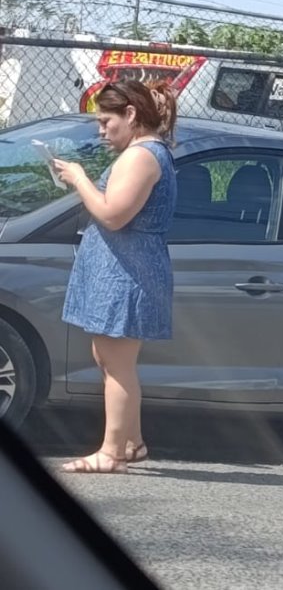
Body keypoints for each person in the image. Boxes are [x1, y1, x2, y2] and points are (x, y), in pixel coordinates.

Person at [53, 80, 178, 474]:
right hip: (121, 268)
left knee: (118, 364)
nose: (102, 131)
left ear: (131, 114)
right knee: (107, 357)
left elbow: (112, 214)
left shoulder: (142, 157)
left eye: (107, 121)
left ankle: (110, 452)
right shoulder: (140, 154)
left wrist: (79, 178)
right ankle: (131, 443)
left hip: (129, 271)